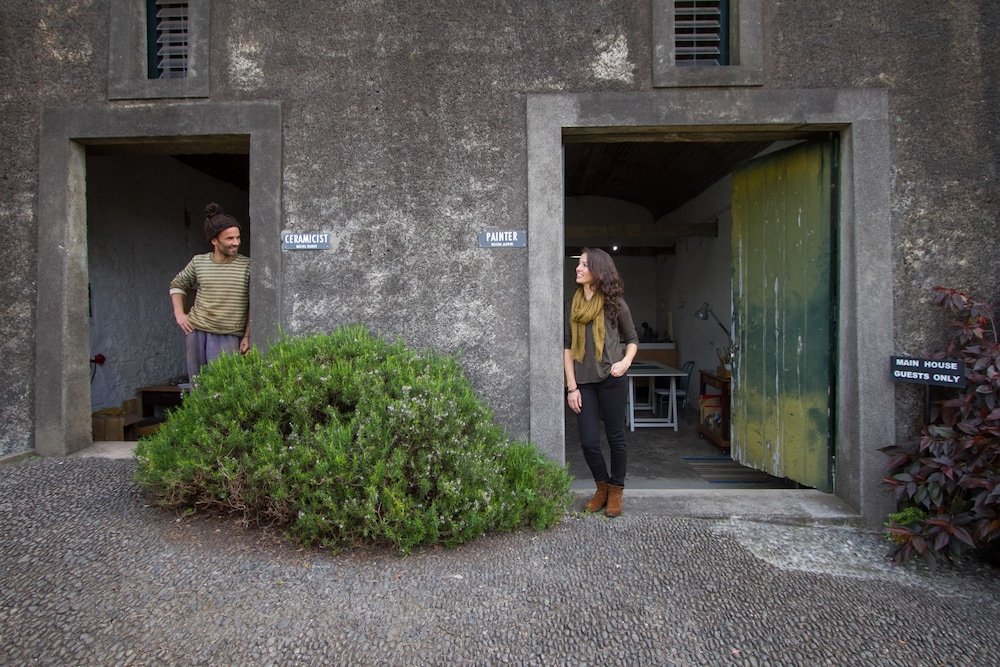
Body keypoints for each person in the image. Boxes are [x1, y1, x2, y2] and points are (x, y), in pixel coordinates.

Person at [563, 247, 638, 518]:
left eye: (583, 264)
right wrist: (571, 387)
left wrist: (625, 363)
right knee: (589, 441)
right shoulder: (572, 305)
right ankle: (601, 486)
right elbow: (568, 347)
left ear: (597, 270)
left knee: (616, 438)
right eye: (579, 264)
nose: (578, 268)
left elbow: (632, 339)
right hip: (583, 384)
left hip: (611, 379)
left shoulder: (615, 304)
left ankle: (615, 491)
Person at [170, 203, 251, 383]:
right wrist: (179, 314)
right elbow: (177, 284)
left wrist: (247, 336)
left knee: (225, 387)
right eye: (230, 238)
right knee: (198, 387)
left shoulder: (247, 265)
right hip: (197, 332)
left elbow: (254, 304)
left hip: (229, 335)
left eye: (238, 238)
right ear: (214, 240)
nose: (236, 243)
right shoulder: (199, 262)